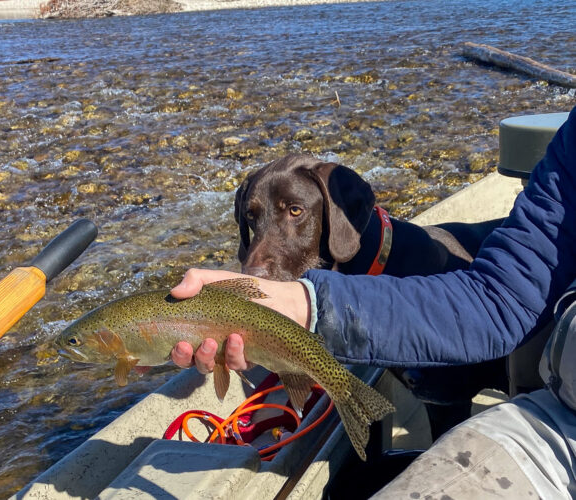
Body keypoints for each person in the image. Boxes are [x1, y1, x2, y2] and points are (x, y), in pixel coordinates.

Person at [170, 105, 576, 498]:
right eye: (254, 222)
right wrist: (302, 306)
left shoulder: (422, 261)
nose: (256, 260)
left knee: (444, 397)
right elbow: (497, 299)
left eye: (294, 211)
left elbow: (454, 394)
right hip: (557, 424)